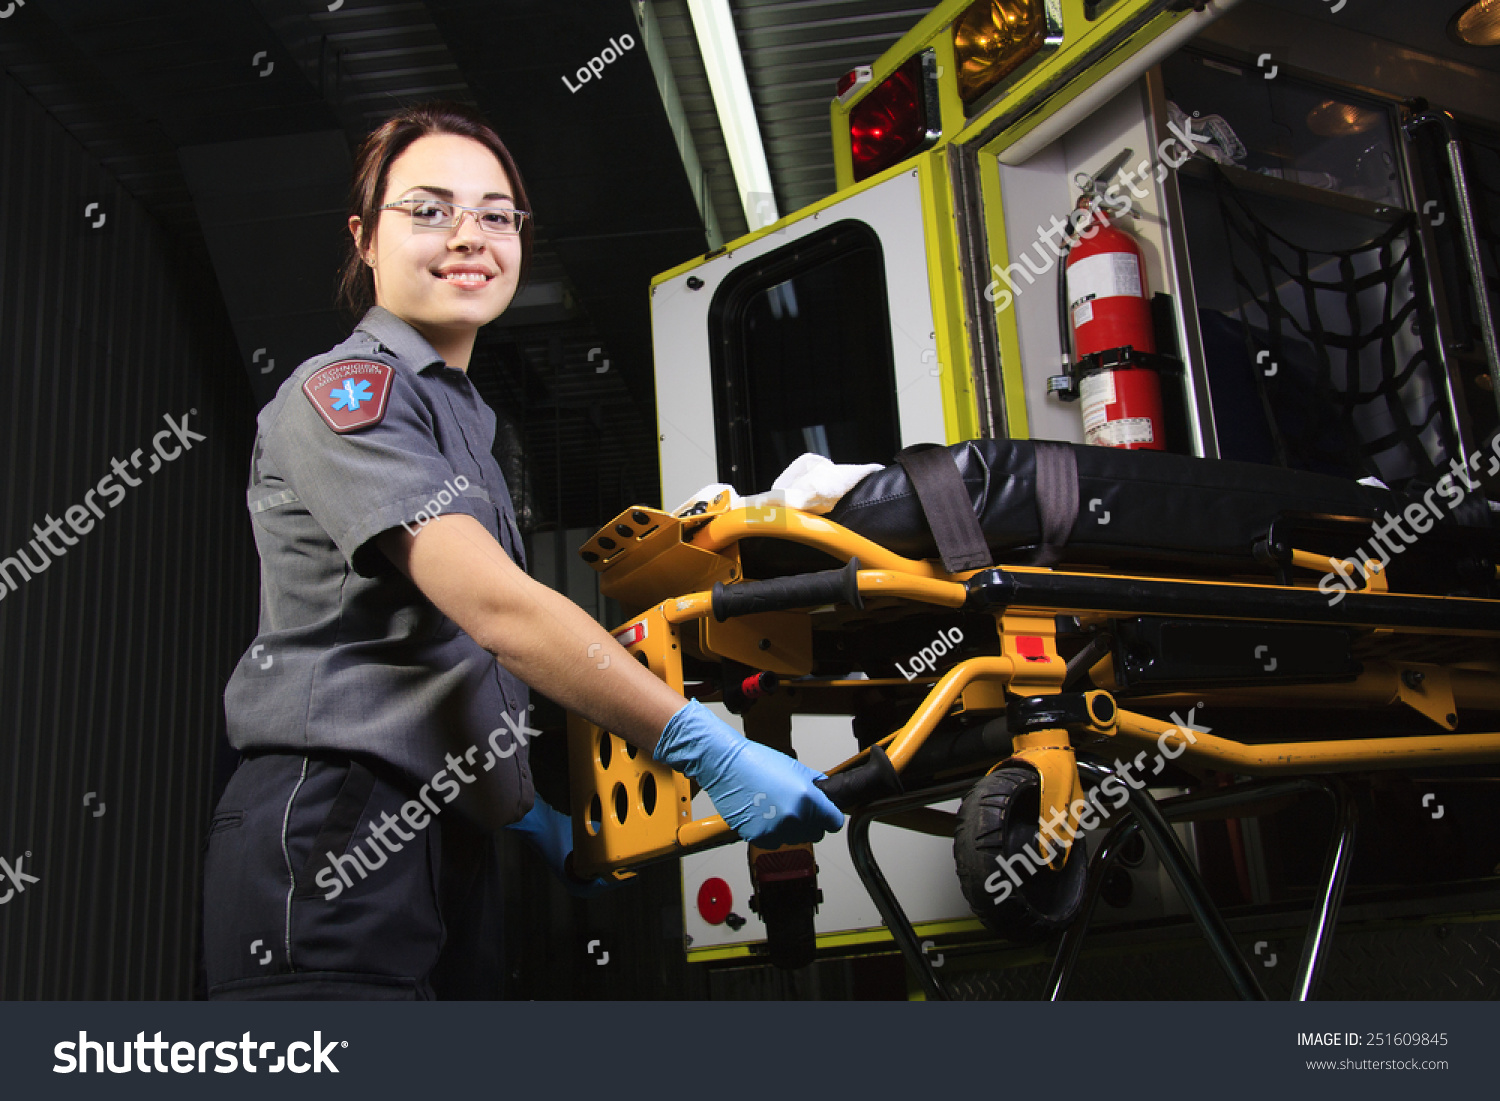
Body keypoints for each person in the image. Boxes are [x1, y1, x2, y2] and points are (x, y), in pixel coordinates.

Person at [202, 101, 842, 1000]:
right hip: (335, 826)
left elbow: (434, 656)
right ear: (364, 238)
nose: (469, 235)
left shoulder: (463, 422)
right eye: (428, 209)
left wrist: (523, 811)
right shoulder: (345, 394)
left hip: (443, 831)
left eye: (496, 215)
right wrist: (701, 744)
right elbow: (495, 608)